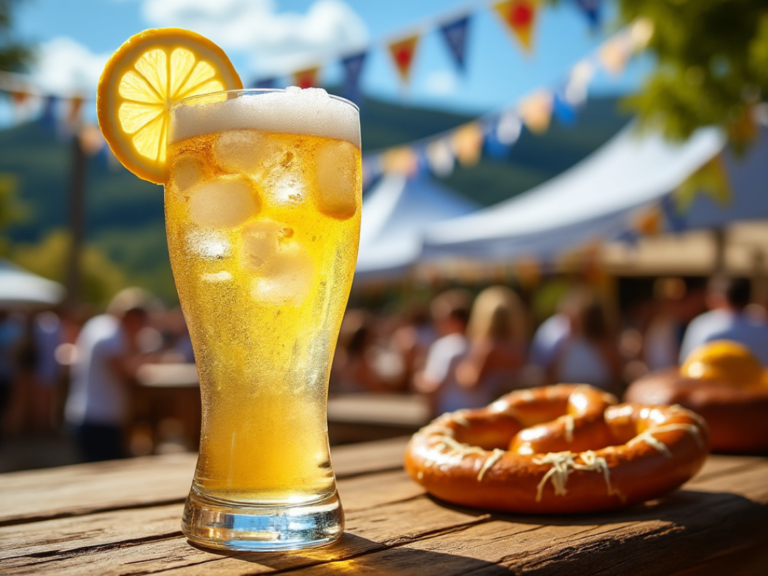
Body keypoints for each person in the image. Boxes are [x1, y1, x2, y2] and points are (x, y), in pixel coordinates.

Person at [65, 288, 155, 462]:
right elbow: (127, 372)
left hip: (90, 417)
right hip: (99, 421)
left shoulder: (100, 325)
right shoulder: (111, 335)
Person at [456, 286, 527, 397]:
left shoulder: (488, 347)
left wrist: (459, 369)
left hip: (488, 404)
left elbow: (471, 382)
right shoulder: (517, 347)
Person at [679, 276, 768, 364]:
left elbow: (687, 363)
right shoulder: (763, 326)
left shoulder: (703, 326)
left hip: (711, 378)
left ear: (715, 297)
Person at [550, 289, 623, 393]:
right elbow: (554, 376)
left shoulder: (602, 344)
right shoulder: (566, 343)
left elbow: (616, 374)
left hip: (599, 393)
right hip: (570, 394)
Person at [414, 289, 473, 416]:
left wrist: (417, 377)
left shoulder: (446, 346)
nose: (436, 323)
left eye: (440, 318)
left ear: (453, 319)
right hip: (473, 415)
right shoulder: (477, 344)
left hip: (448, 415)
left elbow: (433, 387)